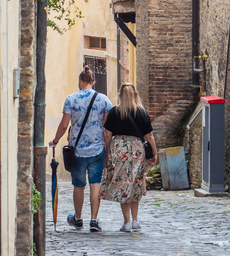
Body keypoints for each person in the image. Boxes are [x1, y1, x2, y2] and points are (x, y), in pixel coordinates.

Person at [49, 65, 113, 232]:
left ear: (80, 81)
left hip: (77, 150)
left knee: (78, 186)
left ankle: (78, 218)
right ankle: (94, 219)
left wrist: (55, 140)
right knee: (95, 184)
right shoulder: (104, 100)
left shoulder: (71, 99)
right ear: (93, 81)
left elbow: (64, 125)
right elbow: (107, 128)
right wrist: (108, 148)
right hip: (97, 149)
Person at [100, 83, 157, 232]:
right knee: (135, 183)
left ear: (120, 96)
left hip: (119, 149)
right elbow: (149, 136)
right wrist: (154, 152)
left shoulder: (114, 112)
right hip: (137, 149)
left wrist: (108, 149)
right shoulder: (142, 112)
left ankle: (126, 222)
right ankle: (135, 220)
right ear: (135, 95)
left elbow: (107, 134)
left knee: (122, 184)